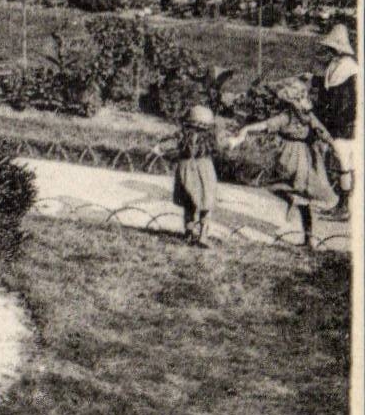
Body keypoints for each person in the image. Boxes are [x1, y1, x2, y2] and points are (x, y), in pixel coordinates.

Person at [229, 77, 338, 250]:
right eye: (302, 97)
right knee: (301, 195)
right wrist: (332, 145)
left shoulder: (289, 116)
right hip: (304, 157)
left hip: (292, 157)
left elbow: (266, 125)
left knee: (285, 187)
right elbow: (321, 131)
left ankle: (305, 230)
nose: (305, 100)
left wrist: (247, 129)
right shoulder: (302, 116)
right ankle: (309, 238)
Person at [150, 103, 220, 247]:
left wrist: (158, 149)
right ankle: (203, 236)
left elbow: (164, 147)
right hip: (205, 168)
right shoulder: (210, 138)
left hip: (186, 168)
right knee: (207, 204)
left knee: (189, 203)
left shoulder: (182, 136)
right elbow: (221, 147)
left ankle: (188, 234)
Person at [311, 23, 357, 220]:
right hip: (337, 123)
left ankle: (344, 207)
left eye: (330, 48)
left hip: (344, 126)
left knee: (344, 164)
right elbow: (329, 86)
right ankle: (341, 203)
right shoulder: (336, 65)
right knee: (341, 163)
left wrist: (328, 122)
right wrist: (314, 80)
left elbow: (345, 103)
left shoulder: (350, 69)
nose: (327, 51)